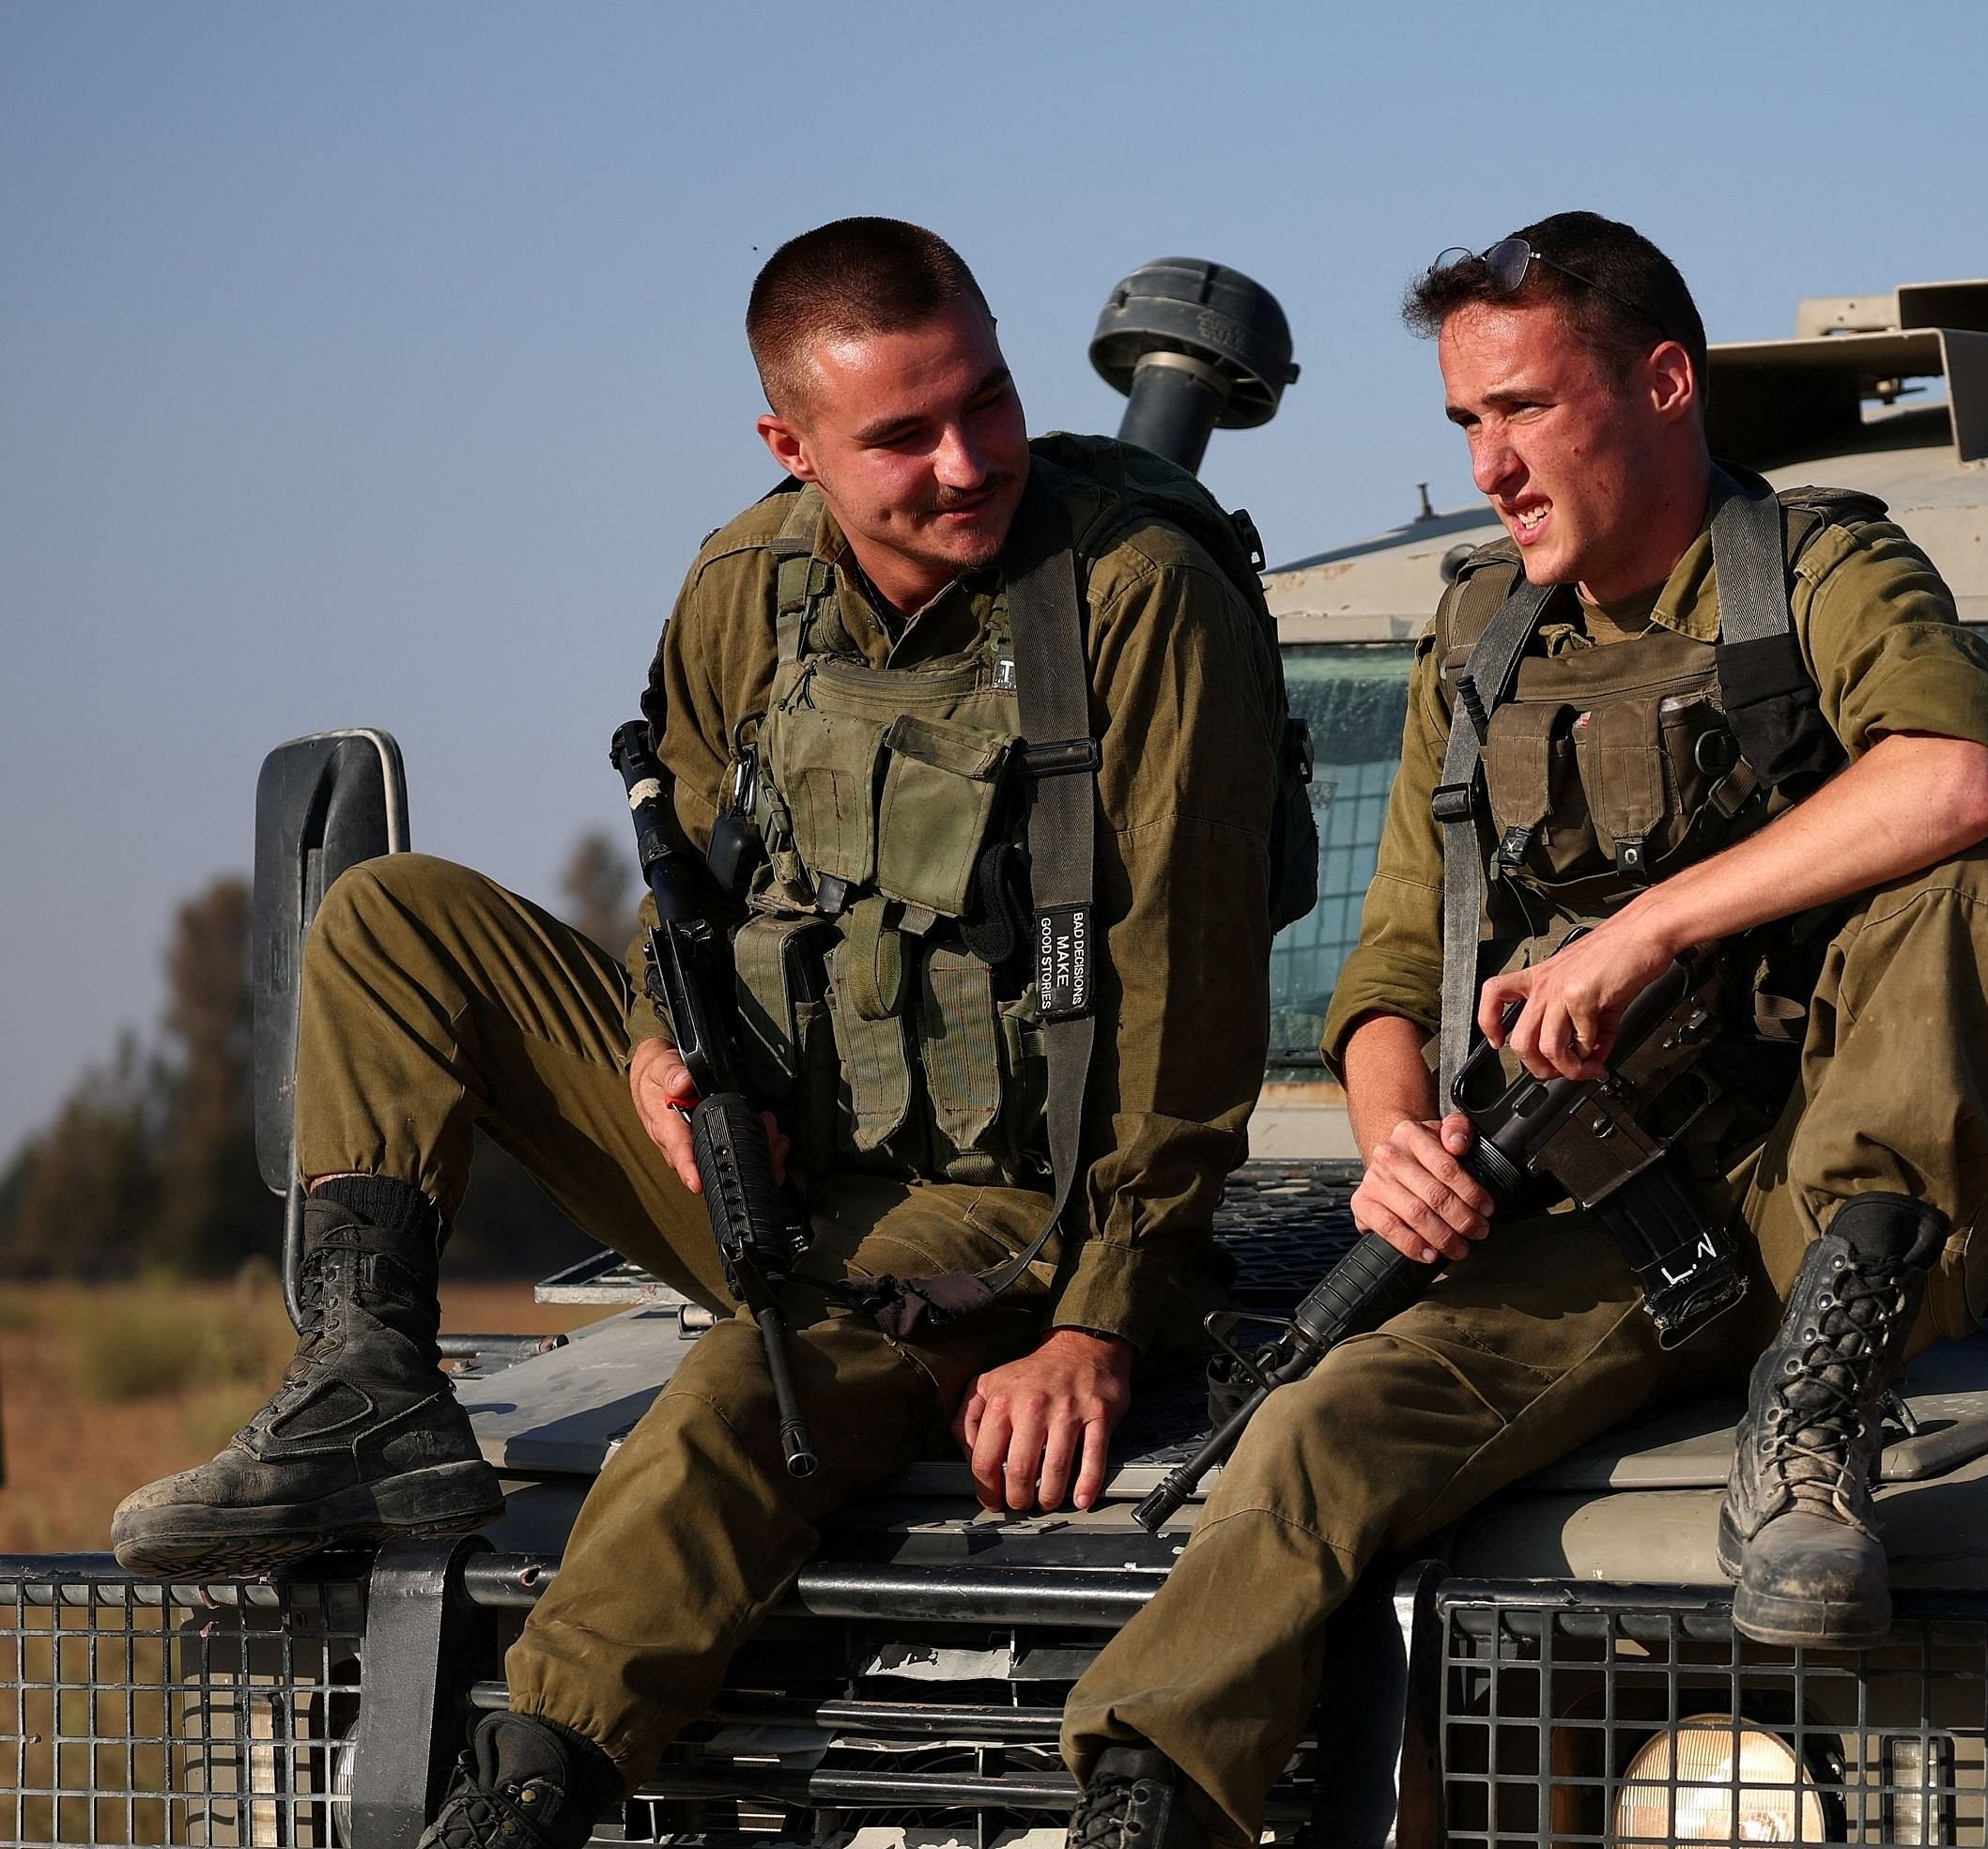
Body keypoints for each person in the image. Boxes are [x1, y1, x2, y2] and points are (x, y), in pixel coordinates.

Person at [106, 218, 1290, 1849]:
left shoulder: (1140, 604)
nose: (969, 462)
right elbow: (695, 877)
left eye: (991, 402)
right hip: (771, 1159)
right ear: (788, 446)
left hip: (1009, 1211)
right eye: (902, 436)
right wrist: (667, 1044)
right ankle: (369, 1384)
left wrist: (1097, 1318)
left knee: (749, 1386)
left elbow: (1190, 1010)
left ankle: (523, 1795)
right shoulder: (753, 584)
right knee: (391, 916)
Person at [1056, 210, 1988, 1848]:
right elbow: (1384, 985)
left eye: (1523, 409)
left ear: (1664, 385)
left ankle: (1805, 1445)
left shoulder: (1822, 574)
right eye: (1465, 423)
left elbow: (1957, 778)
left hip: (1836, 1211)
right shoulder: (1483, 637)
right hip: (1588, 1212)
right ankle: (1142, 1796)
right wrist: (1396, 1155)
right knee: (1318, 1426)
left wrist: (1652, 924)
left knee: (1959, 882)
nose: (1491, 463)